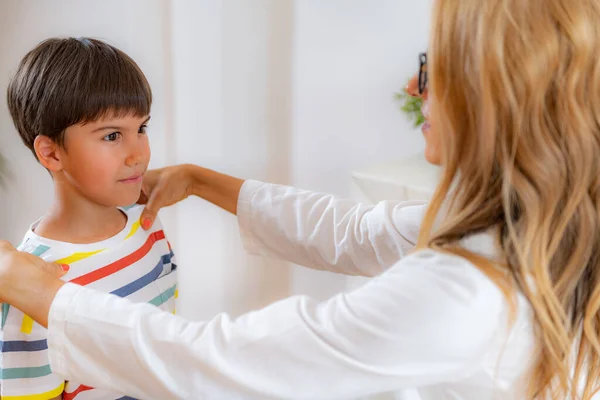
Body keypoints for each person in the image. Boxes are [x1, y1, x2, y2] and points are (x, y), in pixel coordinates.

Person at [0, 0, 597, 398]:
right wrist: (204, 182)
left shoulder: (461, 297)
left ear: (485, 97)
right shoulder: (536, 227)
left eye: (433, 67)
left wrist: (46, 293)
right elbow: (359, 230)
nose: (418, 88)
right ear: (50, 151)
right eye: (111, 135)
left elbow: (226, 363)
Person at [2, 37, 178, 400]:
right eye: (112, 135)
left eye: (141, 128)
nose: (138, 155)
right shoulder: (29, 279)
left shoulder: (145, 223)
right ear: (51, 153)